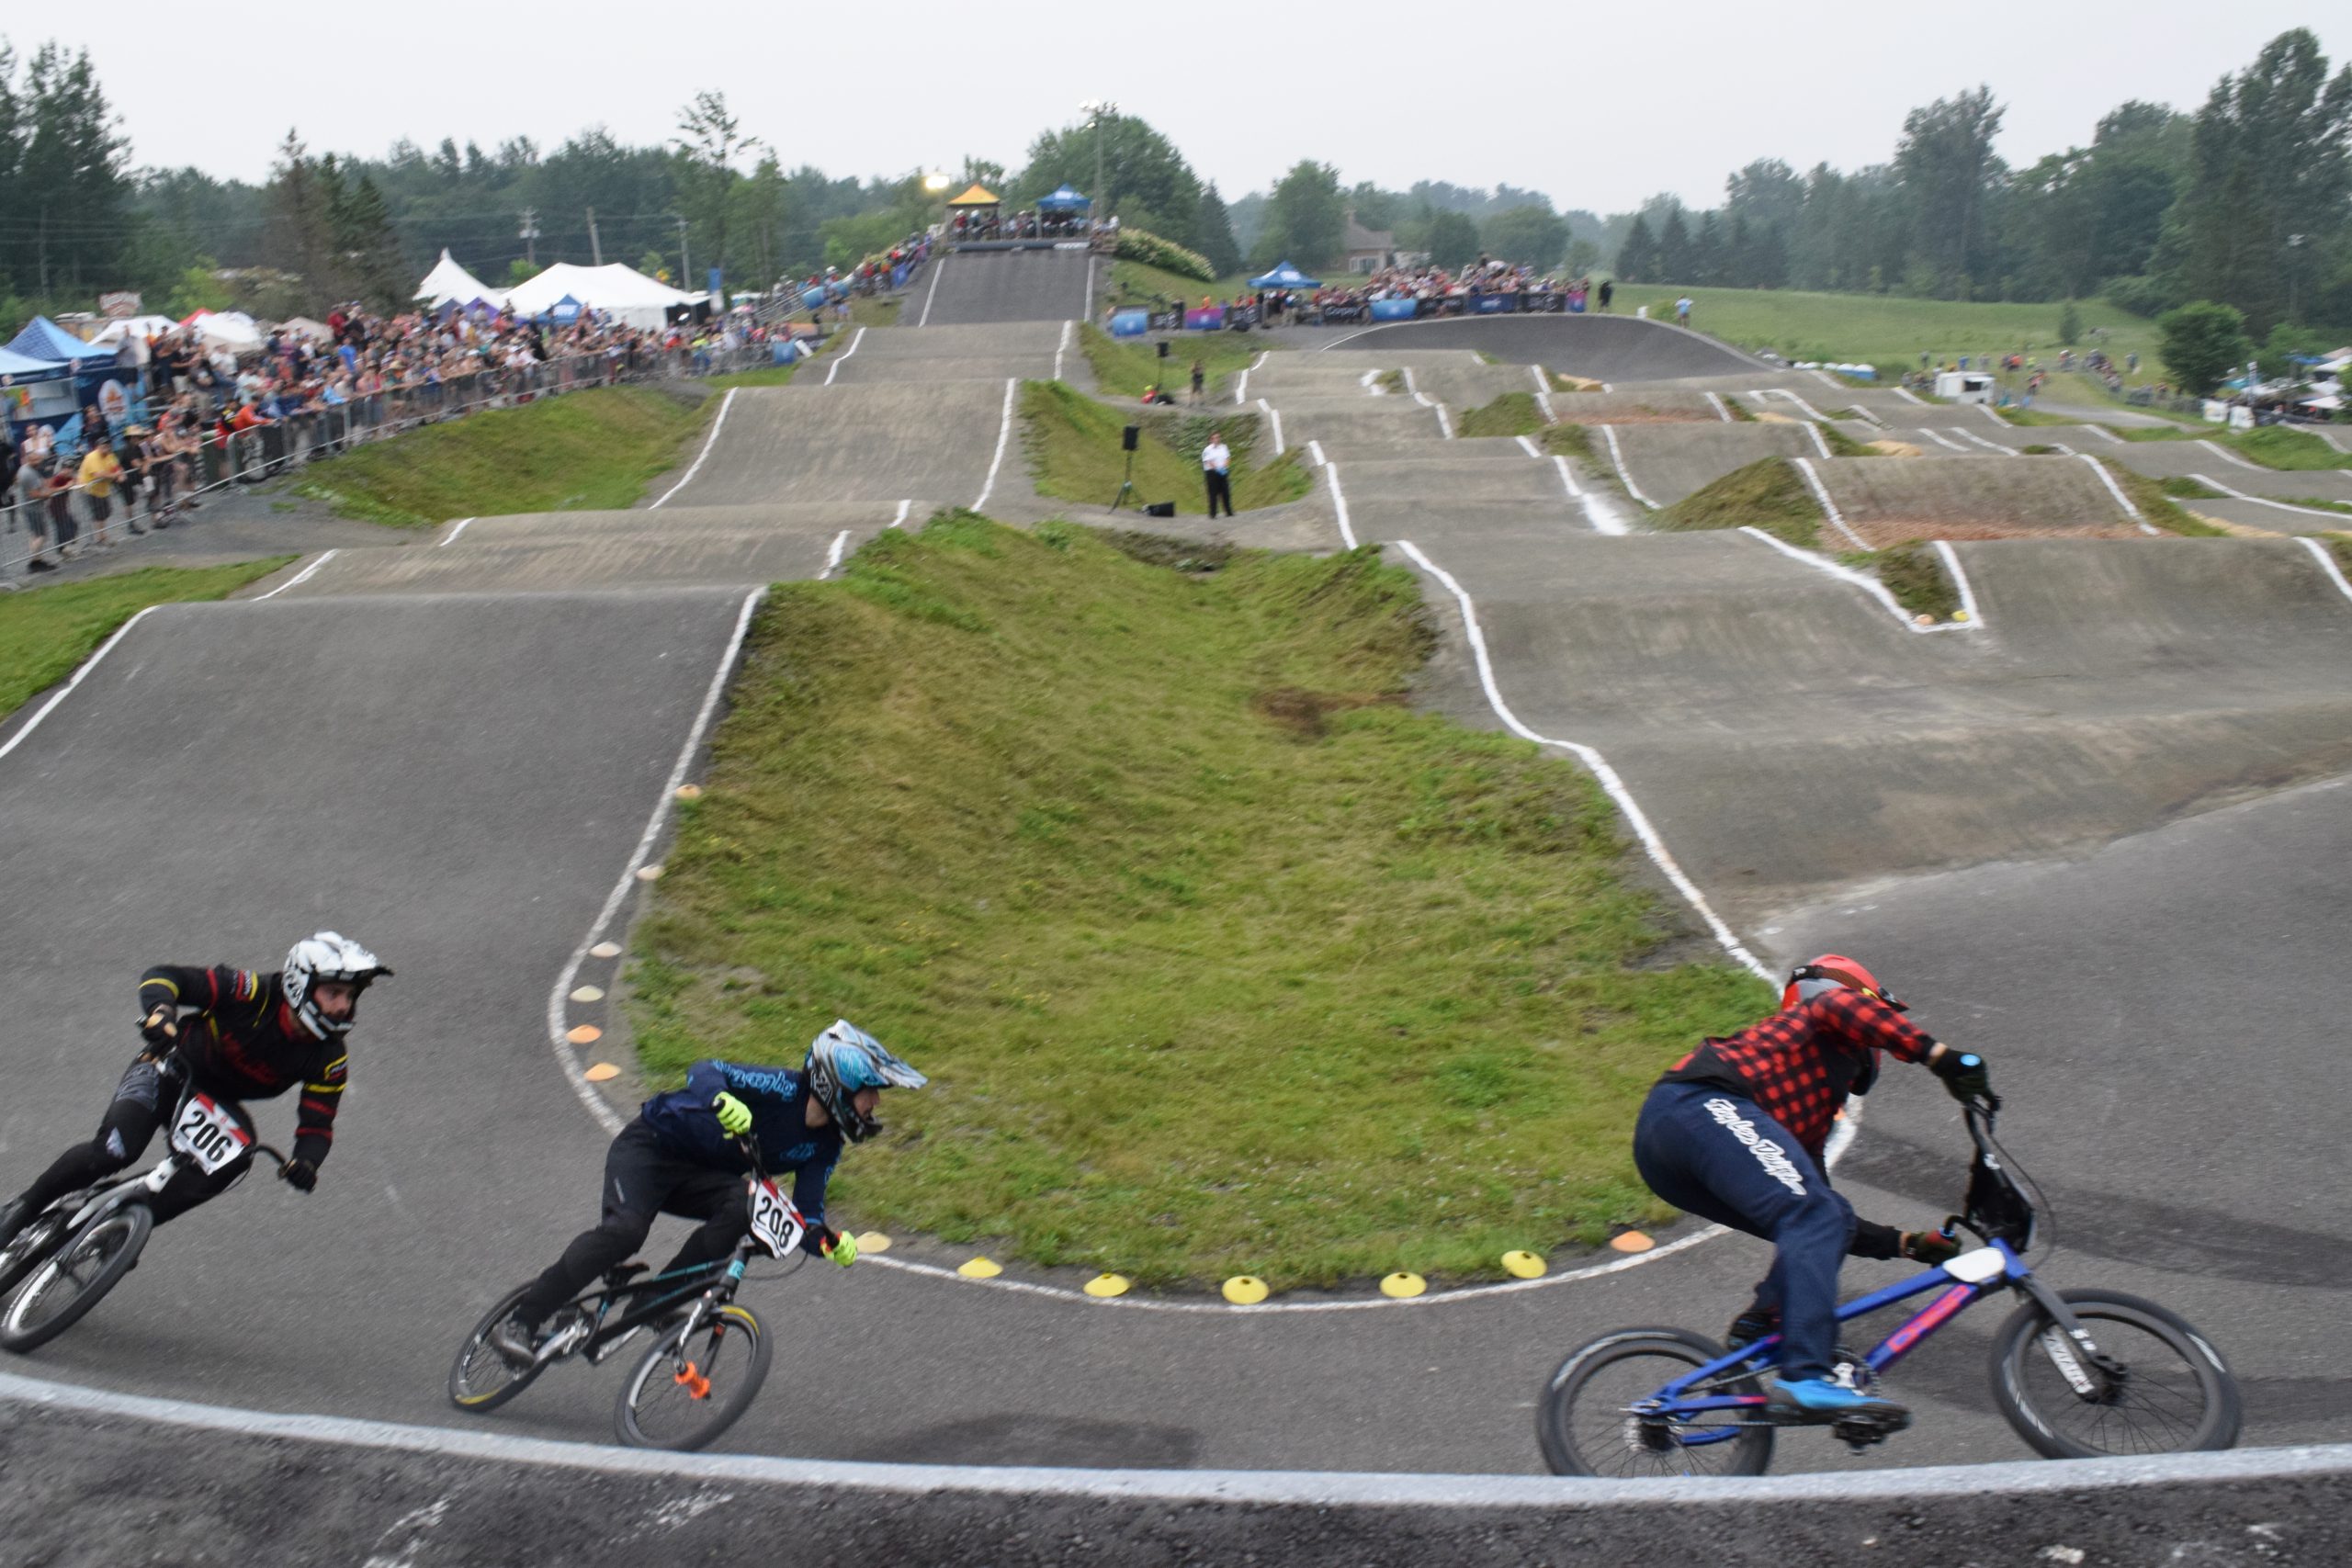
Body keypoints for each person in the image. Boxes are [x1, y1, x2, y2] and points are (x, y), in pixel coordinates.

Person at [1630, 954, 1989, 1425]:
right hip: (1697, 1107)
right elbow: (1839, 1007)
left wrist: (1905, 1245)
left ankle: (1762, 1323)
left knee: (1823, 1217)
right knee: (1814, 1215)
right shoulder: (1821, 1017)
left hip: (1674, 1153)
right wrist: (1940, 1057)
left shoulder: (1800, 1122)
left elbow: (1829, 1222)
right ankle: (1804, 1376)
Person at [490, 1021, 926, 1366]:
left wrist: (830, 1243)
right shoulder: (784, 1088)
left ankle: (655, 1297)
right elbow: (704, 1069)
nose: (875, 1104)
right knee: (625, 1232)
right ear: (839, 1085)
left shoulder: (825, 1147)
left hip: (697, 1178)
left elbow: (804, 1216)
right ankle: (522, 1321)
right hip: (650, 1150)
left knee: (745, 1204)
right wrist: (721, 1099)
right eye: (871, 1092)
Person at [0, 934, 392, 1254]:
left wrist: (307, 1163)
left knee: (236, 1160)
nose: (344, 1006)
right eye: (334, 993)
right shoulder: (254, 992)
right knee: (115, 1151)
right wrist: (160, 1014)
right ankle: (24, 1208)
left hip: (212, 1099)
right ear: (299, 984)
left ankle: (123, 1230)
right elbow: (165, 977)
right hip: (167, 1066)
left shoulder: (329, 1058)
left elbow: (317, 1125)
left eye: (351, 996)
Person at [1201, 429, 1235, 519]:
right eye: (1214, 438)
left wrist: (1224, 467)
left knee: (1226, 492)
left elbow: (1227, 458)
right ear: (1211, 440)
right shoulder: (1207, 450)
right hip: (1212, 473)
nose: (1217, 439)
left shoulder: (1224, 447)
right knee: (1213, 494)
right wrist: (1217, 469)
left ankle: (1228, 511)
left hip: (1223, 471)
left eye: (1218, 437)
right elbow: (1208, 462)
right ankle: (1213, 513)